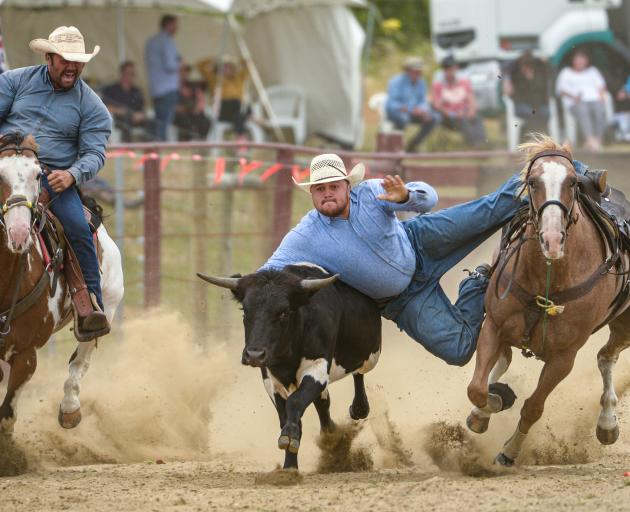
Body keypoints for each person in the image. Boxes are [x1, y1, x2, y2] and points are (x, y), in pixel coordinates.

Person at [260, 153, 607, 366]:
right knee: (458, 351)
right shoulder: (307, 233)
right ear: (312, 195)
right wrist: (245, 288)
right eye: (320, 189)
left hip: (420, 242)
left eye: (333, 186)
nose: (327, 194)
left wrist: (409, 194)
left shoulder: (371, 191)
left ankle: (563, 168)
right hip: (401, 299)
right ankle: (478, 282)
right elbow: (270, 271)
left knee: (492, 209)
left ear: (347, 186)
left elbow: (428, 198)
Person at [0, 26, 112, 340]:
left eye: (79, 61)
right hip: (7, 170)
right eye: (66, 59)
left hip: (52, 179)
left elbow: (94, 152)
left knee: (77, 226)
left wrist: (72, 174)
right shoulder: (14, 81)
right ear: (50, 57)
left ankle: (89, 303)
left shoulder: (92, 107)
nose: (73, 66)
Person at [556, 49, 608, 151]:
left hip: (594, 100)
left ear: (586, 61)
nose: (580, 62)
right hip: (575, 101)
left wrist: (601, 96)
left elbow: (602, 86)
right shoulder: (566, 72)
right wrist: (573, 96)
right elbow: (560, 90)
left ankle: (597, 140)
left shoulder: (593, 71)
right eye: (577, 60)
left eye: (582, 59)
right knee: (583, 110)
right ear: (573, 61)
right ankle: (590, 140)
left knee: (600, 110)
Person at [385, 56, 437, 152]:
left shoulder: (422, 83)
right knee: (403, 118)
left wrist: (423, 110)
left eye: (419, 71)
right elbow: (391, 104)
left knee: (433, 118)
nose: (417, 74)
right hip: (397, 113)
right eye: (414, 71)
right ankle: (395, 147)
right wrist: (409, 109)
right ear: (407, 70)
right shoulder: (395, 82)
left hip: (413, 113)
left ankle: (412, 146)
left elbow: (423, 101)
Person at [432, 56, 486, 148]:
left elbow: (471, 98)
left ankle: (483, 143)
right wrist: (452, 114)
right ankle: (474, 145)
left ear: (456, 68)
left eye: (452, 68)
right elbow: (436, 104)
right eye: (447, 69)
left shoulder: (464, 82)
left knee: (476, 117)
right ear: (444, 70)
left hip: (465, 111)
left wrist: (472, 110)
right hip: (449, 117)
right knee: (463, 119)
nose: (450, 71)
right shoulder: (439, 85)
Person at [196, 55, 250, 139]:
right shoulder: (214, 79)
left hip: (237, 108)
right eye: (223, 67)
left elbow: (249, 65)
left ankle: (240, 140)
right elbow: (199, 65)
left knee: (240, 114)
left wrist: (236, 60)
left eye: (229, 66)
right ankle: (242, 137)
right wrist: (215, 59)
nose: (226, 69)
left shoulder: (239, 78)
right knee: (238, 111)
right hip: (223, 110)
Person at [145, 14, 180, 141]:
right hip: (167, 89)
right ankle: (158, 152)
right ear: (168, 24)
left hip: (156, 88)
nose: (177, 28)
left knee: (158, 122)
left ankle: (154, 152)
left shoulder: (151, 41)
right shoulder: (167, 41)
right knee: (163, 125)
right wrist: (181, 63)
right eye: (175, 25)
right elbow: (170, 65)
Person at [102, 60, 152, 142]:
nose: (131, 76)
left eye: (133, 74)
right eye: (128, 73)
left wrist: (141, 115)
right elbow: (104, 107)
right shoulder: (111, 90)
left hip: (135, 117)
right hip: (118, 118)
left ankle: (149, 148)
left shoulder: (137, 91)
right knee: (125, 122)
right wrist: (120, 111)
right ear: (122, 73)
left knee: (150, 122)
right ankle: (127, 148)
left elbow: (142, 108)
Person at [504, 52, 551, 134]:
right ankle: (536, 137)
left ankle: (540, 136)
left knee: (545, 112)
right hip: (521, 105)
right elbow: (505, 71)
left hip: (538, 105)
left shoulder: (540, 75)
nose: (524, 69)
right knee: (531, 113)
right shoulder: (516, 75)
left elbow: (549, 69)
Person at [173, 63, 211, 141]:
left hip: (194, 112)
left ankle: (200, 143)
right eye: (182, 71)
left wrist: (198, 108)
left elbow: (201, 99)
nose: (184, 73)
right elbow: (172, 105)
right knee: (185, 122)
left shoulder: (193, 85)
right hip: (180, 114)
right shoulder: (173, 86)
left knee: (206, 122)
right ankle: (185, 144)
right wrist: (181, 108)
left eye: (186, 71)